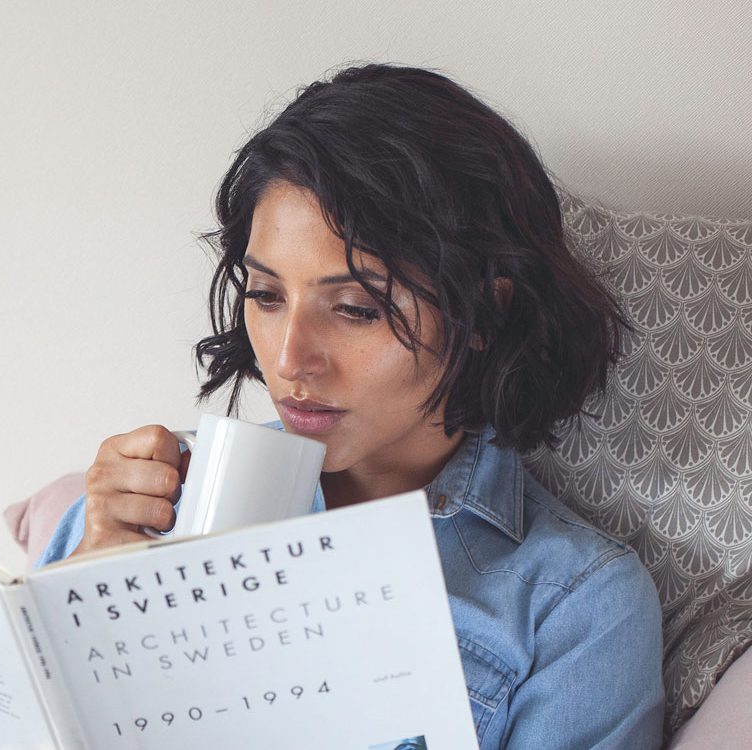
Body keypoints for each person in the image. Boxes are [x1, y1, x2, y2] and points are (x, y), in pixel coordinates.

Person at [35, 64, 665, 749]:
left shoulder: (573, 603)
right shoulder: (146, 498)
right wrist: (80, 605)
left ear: (486, 309)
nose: (288, 359)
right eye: (267, 296)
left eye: (356, 308)